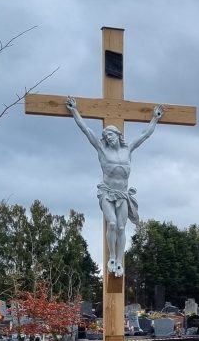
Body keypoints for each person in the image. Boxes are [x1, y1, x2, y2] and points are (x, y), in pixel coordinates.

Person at [65, 97, 163, 277]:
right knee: (111, 223)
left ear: (118, 135)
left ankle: (119, 260)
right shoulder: (102, 149)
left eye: (110, 135)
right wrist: (74, 111)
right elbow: (86, 130)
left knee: (121, 228)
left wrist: (155, 118)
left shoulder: (128, 149)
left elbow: (145, 135)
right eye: (105, 137)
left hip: (123, 194)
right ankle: (111, 257)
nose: (107, 138)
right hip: (107, 193)